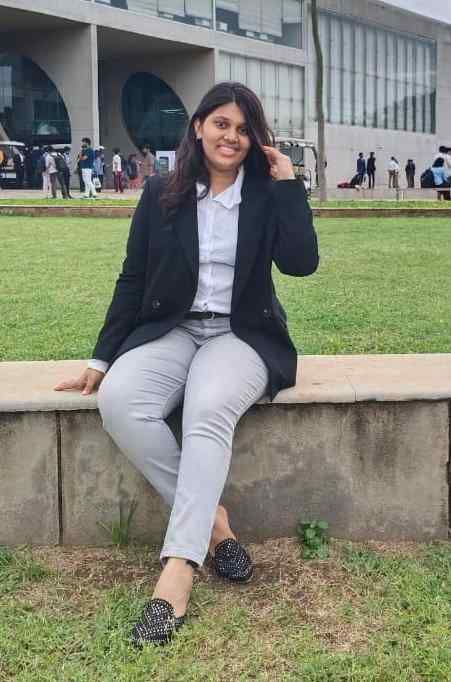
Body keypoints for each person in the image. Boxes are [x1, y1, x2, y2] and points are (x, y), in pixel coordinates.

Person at [54, 81, 319, 648]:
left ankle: (177, 570)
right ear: (198, 127)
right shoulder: (162, 192)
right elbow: (132, 278)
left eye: (244, 129)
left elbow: (301, 264)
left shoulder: (266, 194)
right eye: (221, 123)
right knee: (121, 400)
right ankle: (216, 526)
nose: (232, 137)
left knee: (207, 406)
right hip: (172, 328)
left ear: (255, 139)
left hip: (241, 334)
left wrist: (289, 186)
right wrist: (102, 357)